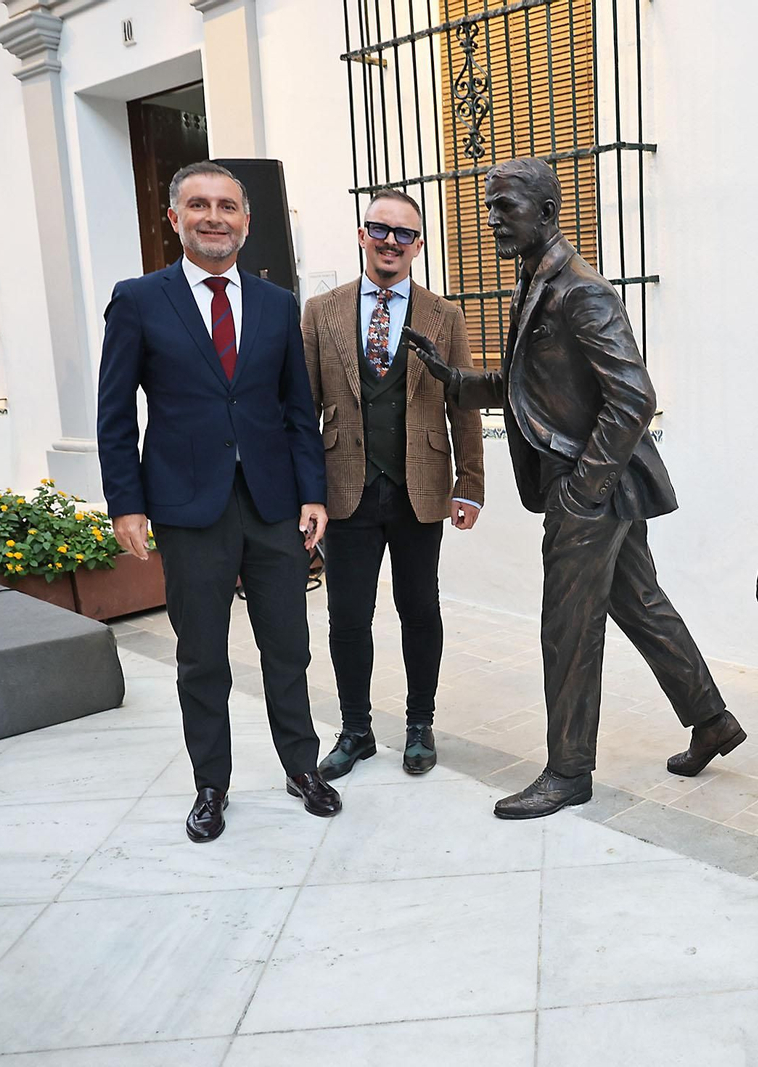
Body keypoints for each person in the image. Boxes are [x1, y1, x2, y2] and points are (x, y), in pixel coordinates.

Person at [408, 157, 743, 819]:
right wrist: (451, 379)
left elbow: (634, 396)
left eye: (505, 207)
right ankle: (711, 719)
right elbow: (530, 389)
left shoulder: (579, 290)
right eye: (490, 206)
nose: (493, 218)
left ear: (547, 212)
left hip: (591, 479)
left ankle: (568, 772)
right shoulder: (534, 280)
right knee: (640, 602)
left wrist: (585, 487)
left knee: (568, 628)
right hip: (598, 478)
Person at [97, 161, 341, 843]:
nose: (214, 217)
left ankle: (302, 765)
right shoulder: (139, 299)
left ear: (246, 221)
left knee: (287, 645)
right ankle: (212, 783)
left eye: (227, 206)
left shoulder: (273, 303)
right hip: (185, 505)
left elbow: (297, 408)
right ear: (173, 218)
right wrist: (126, 502)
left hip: (272, 502)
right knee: (202, 655)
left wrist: (312, 492)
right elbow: (115, 413)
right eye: (198, 205)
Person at [302, 189, 485, 778]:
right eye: (380, 229)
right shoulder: (321, 310)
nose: (391, 242)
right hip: (345, 489)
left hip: (420, 488)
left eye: (405, 234)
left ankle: (419, 724)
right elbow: (302, 409)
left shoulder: (444, 314)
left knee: (419, 608)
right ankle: (355, 729)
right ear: (362, 234)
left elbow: (463, 403)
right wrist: (304, 493)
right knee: (348, 616)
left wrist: (470, 482)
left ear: (419, 245)